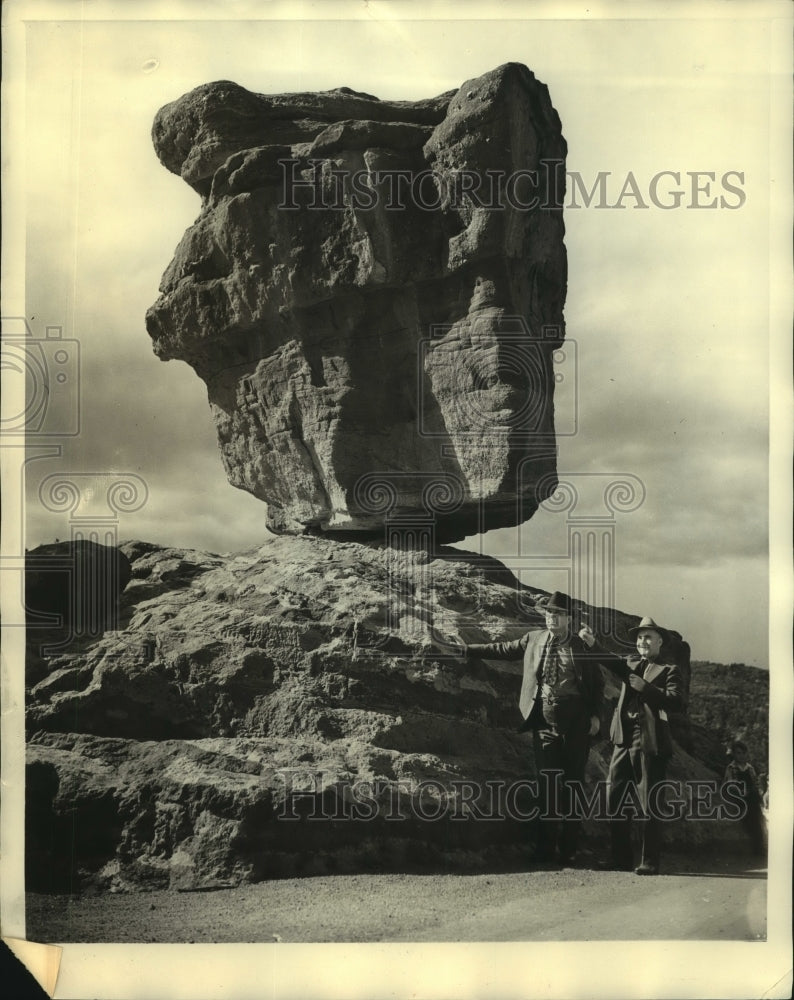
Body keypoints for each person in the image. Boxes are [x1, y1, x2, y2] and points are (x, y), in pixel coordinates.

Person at [460, 591, 604, 866]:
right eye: (549, 614)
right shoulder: (534, 639)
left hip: (576, 721)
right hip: (544, 719)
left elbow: (596, 685)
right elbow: (503, 650)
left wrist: (597, 716)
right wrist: (468, 649)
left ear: (569, 619)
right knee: (547, 784)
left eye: (558, 615)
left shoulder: (582, 646)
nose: (552, 619)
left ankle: (570, 849)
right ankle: (545, 850)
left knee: (573, 783)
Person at [579, 616, 685, 875]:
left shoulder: (670, 670)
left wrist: (646, 689)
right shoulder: (631, 663)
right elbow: (611, 660)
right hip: (622, 739)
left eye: (648, 637)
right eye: (639, 637)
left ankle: (649, 861)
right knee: (614, 797)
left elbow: (677, 703)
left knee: (649, 802)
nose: (643, 641)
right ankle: (620, 858)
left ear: (660, 641)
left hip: (650, 742)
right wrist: (592, 643)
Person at [723, 740, 765, 857]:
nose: (741, 756)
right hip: (738, 797)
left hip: (751, 796)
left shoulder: (749, 768)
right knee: (746, 820)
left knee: (756, 820)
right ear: (734, 755)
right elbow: (728, 783)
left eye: (743, 753)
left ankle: (758, 847)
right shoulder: (731, 768)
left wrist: (756, 793)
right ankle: (749, 847)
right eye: (738, 753)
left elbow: (755, 782)